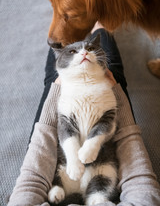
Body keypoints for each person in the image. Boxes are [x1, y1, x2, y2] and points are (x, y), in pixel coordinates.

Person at [8, 24, 160, 206]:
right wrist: (117, 95)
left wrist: (56, 90)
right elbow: (142, 187)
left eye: (86, 50)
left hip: (59, 163)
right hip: (101, 161)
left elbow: (30, 183)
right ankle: (101, 26)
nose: (84, 53)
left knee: (54, 78)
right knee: (114, 74)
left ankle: (67, 28)